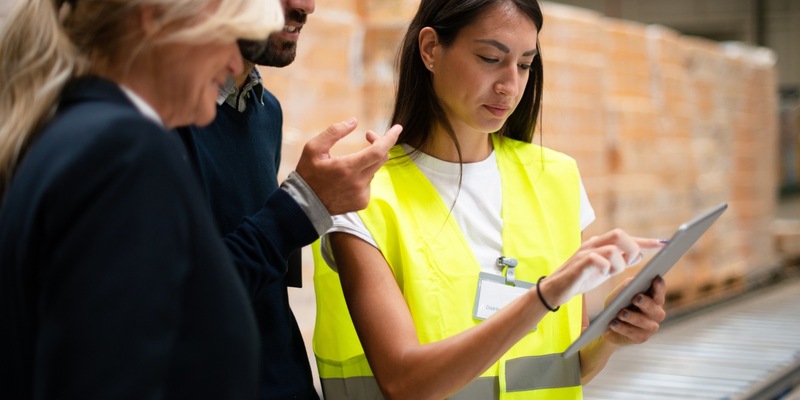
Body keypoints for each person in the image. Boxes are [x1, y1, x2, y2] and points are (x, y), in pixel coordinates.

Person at [312, 0, 668, 398]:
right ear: (430, 49)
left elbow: (566, 367)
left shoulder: (557, 179)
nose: (510, 86)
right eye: (490, 58)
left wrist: (611, 337)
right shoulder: (362, 196)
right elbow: (405, 383)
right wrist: (545, 296)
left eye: (524, 65)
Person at [0, 0, 284, 398]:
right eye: (227, 36)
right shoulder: (126, 152)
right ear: (155, 19)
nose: (237, 65)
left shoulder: (75, 133)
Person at [177, 0, 401, 398]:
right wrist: (302, 205)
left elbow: (260, 294)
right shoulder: (156, 118)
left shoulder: (265, 110)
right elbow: (179, 304)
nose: (305, 6)